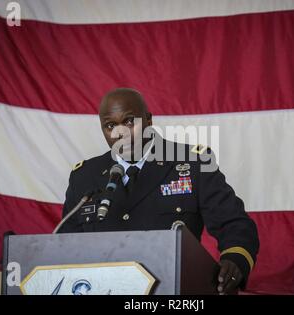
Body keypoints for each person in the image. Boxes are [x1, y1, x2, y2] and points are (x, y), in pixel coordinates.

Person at [60, 88, 259, 294]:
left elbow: (234, 224)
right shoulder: (84, 177)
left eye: (129, 121)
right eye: (110, 125)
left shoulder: (193, 163)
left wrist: (234, 260)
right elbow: (63, 245)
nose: (121, 133)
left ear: (148, 120)